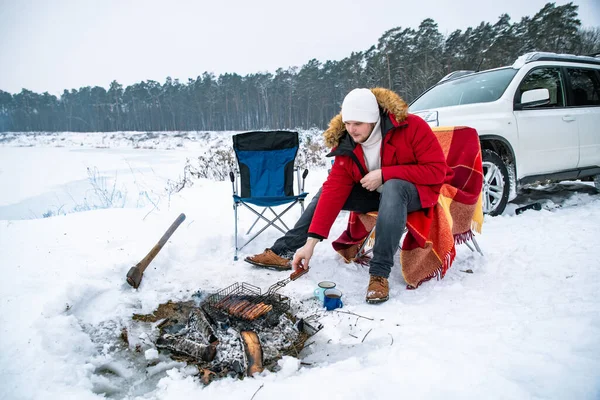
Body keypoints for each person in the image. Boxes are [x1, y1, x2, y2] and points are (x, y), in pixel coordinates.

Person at [245, 88, 450, 303]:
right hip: (373, 193)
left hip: (412, 193)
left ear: (373, 120)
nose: (351, 129)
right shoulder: (347, 142)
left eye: (358, 123)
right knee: (327, 190)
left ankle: (379, 274)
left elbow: (437, 171)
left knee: (394, 187)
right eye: (347, 122)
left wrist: (385, 174)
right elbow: (334, 191)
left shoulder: (411, 127)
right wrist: (311, 243)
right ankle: (284, 250)